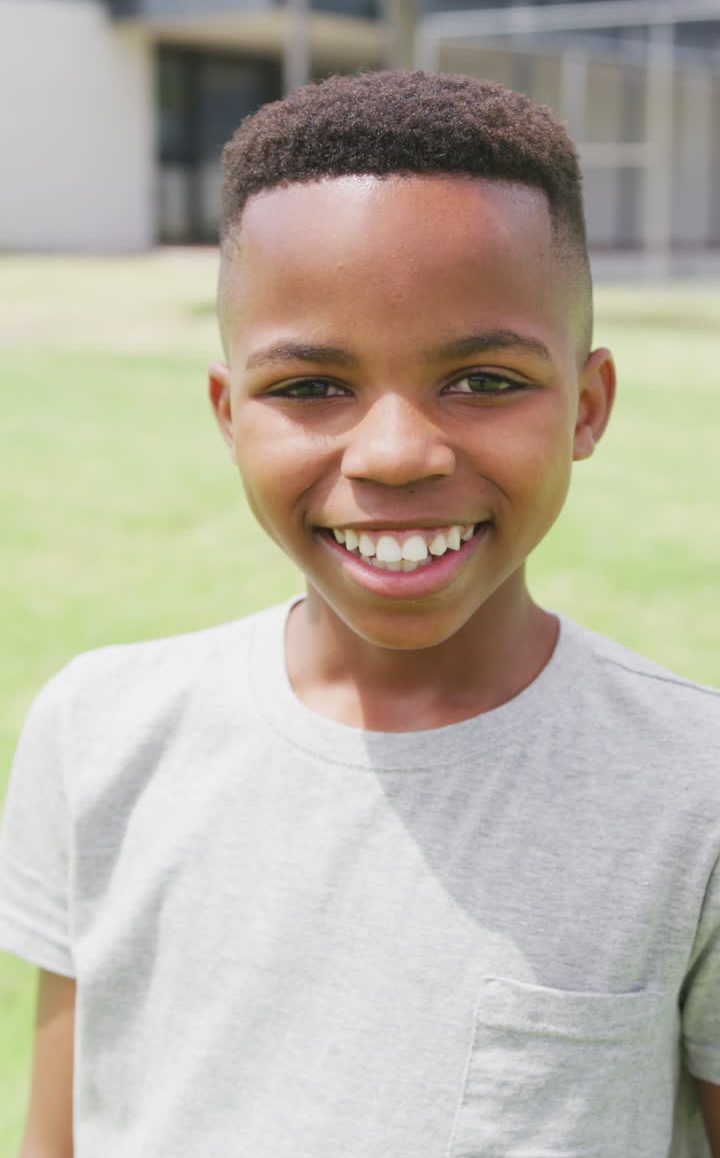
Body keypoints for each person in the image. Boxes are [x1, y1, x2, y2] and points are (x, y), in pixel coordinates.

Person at [1, 70, 719, 1158]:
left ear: (587, 405)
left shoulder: (692, 793)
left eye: (481, 379)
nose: (393, 453)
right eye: (308, 388)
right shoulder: (97, 730)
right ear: (228, 412)